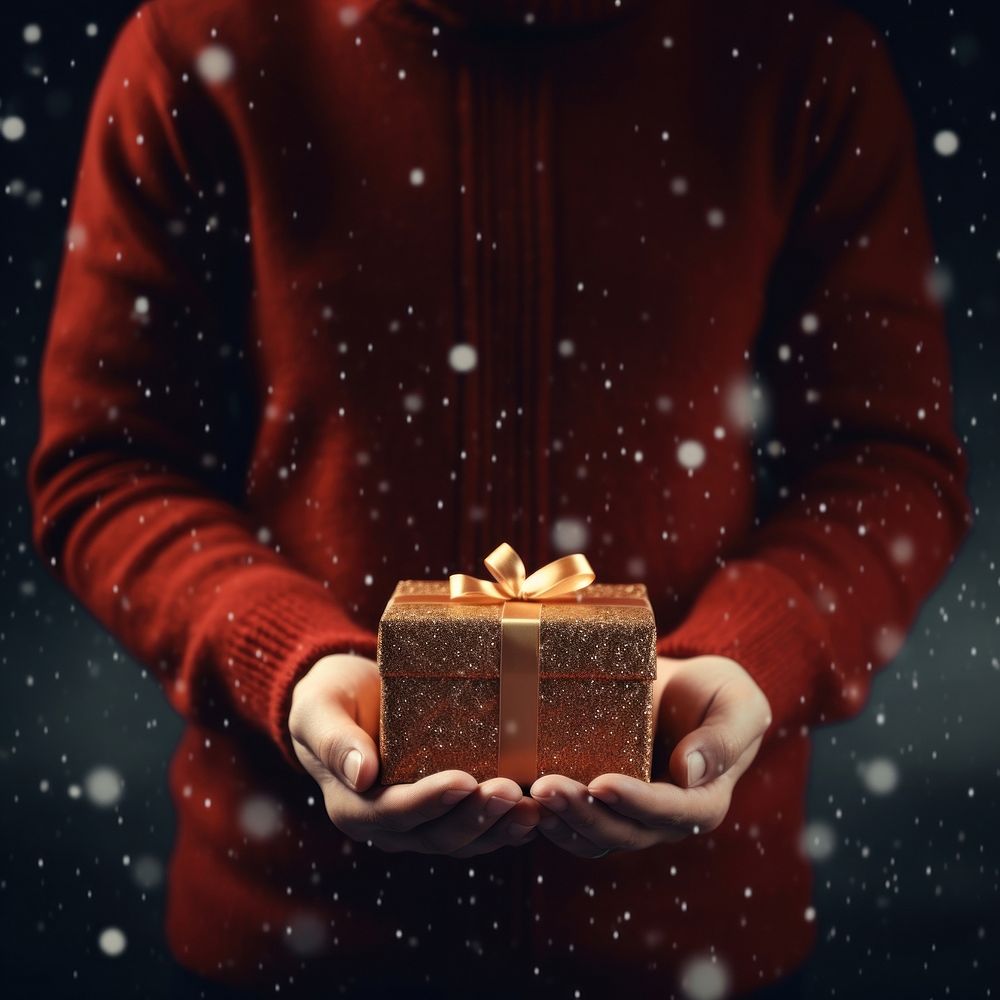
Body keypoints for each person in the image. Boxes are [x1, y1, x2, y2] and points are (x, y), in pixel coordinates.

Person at [29, 0, 970, 996]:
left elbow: (891, 465)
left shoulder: (802, 49)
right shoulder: (199, 38)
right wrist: (288, 661)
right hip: (290, 930)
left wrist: (749, 661)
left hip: (692, 931)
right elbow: (105, 463)